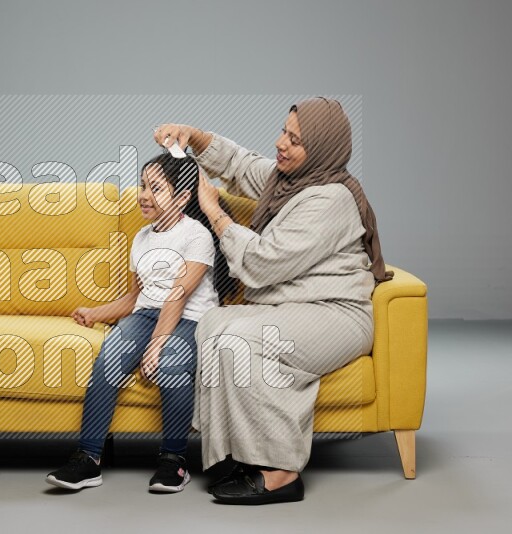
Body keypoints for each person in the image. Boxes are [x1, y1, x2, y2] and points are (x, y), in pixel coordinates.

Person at [153, 97, 394, 505]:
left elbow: (263, 264)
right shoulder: (290, 180)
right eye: (284, 131)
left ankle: (282, 472)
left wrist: (216, 214)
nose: (282, 143)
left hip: (335, 313)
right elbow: (241, 165)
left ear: (320, 149)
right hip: (295, 306)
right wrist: (194, 136)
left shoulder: (329, 199)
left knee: (246, 340)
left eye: (295, 139)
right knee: (215, 324)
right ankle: (244, 453)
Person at [46, 151, 226, 493]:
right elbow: (135, 299)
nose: (144, 194)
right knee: (110, 355)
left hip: (190, 318)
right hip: (146, 315)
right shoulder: (141, 238)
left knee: (171, 362)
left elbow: (178, 294)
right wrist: (95, 313)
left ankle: (173, 462)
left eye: (156, 188)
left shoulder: (196, 236)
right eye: (143, 185)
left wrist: (157, 345)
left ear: (183, 197)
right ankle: (88, 459)